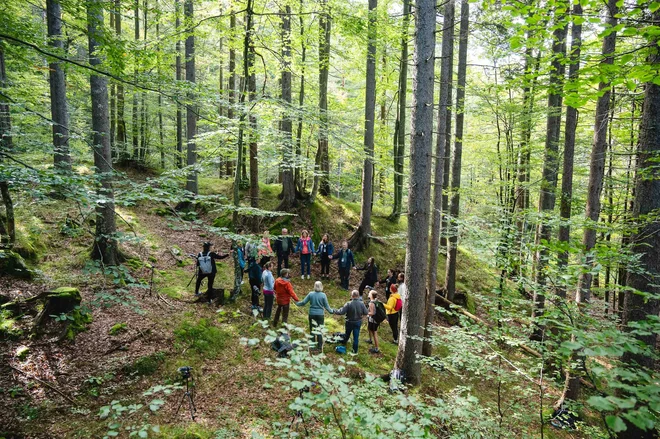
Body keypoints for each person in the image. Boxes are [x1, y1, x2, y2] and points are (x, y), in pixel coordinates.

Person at [295, 281, 333, 350]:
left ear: (314, 286)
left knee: (312, 330)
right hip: (320, 315)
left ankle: (312, 347)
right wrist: (332, 311)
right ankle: (319, 347)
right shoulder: (323, 295)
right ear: (321, 286)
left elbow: (303, 302)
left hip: (312, 314)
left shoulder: (311, 294)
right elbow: (327, 306)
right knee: (320, 330)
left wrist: (297, 303)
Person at [333, 290, 368, 354]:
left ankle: (344, 342)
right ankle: (355, 351)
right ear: (358, 296)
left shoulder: (348, 303)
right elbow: (366, 312)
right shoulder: (362, 304)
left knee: (347, 334)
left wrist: (334, 311)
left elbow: (341, 312)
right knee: (356, 337)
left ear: (352, 296)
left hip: (349, 322)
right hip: (358, 322)